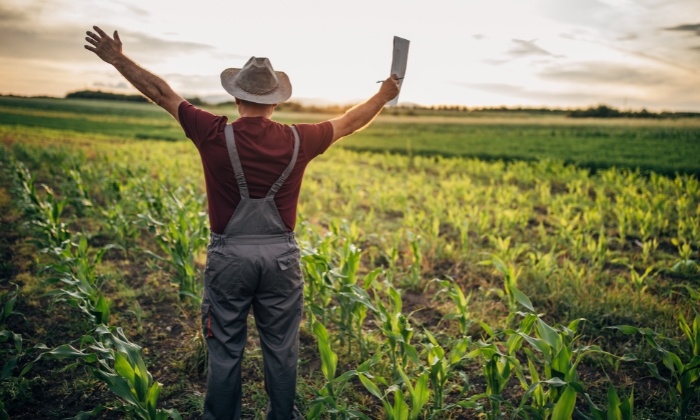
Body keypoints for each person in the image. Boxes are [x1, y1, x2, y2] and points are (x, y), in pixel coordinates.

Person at [84, 26, 400, 420]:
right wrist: (384, 95)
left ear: (236, 97)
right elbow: (351, 121)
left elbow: (163, 94)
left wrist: (117, 59)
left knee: (225, 347)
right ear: (275, 103)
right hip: (281, 259)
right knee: (282, 348)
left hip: (229, 258)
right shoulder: (300, 139)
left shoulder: (211, 132)